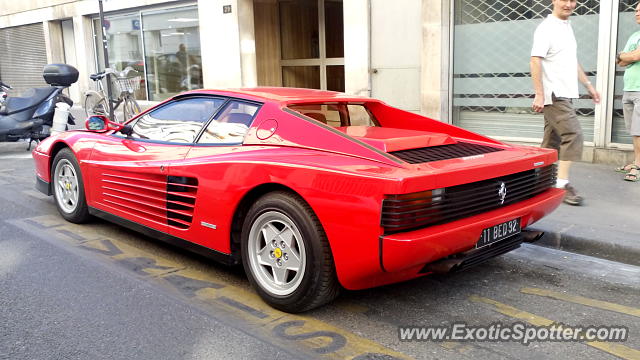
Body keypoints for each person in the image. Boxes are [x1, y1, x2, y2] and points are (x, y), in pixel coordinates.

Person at [530, 0, 601, 205]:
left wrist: (589, 86)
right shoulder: (546, 28)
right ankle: (561, 184)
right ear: (553, 0)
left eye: (573, 0)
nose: (569, 4)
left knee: (551, 143)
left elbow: (572, 61)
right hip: (554, 94)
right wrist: (539, 94)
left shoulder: (567, 26)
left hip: (565, 93)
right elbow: (535, 60)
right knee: (574, 134)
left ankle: (539, 182)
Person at [615, 2, 640, 182]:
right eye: (636, 10)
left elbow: (634, 57)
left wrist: (627, 56)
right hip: (629, 88)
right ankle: (636, 161)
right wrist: (626, 56)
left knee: (639, 130)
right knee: (633, 130)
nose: (637, 13)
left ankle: (637, 165)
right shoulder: (634, 35)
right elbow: (621, 61)